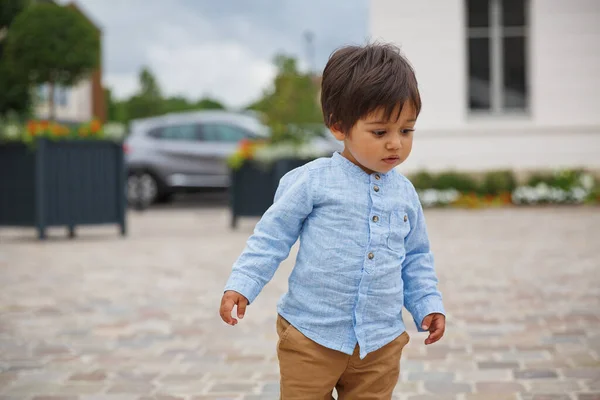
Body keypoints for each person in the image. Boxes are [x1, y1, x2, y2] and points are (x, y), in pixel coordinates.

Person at [219, 42, 446, 399]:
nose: (395, 145)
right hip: (312, 336)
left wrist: (427, 303)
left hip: (379, 344)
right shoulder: (312, 181)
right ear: (339, 127)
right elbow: (271, 237)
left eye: (406, 131)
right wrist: (242, 283)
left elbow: (416, 257)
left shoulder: (405, 194)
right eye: (380, 132)